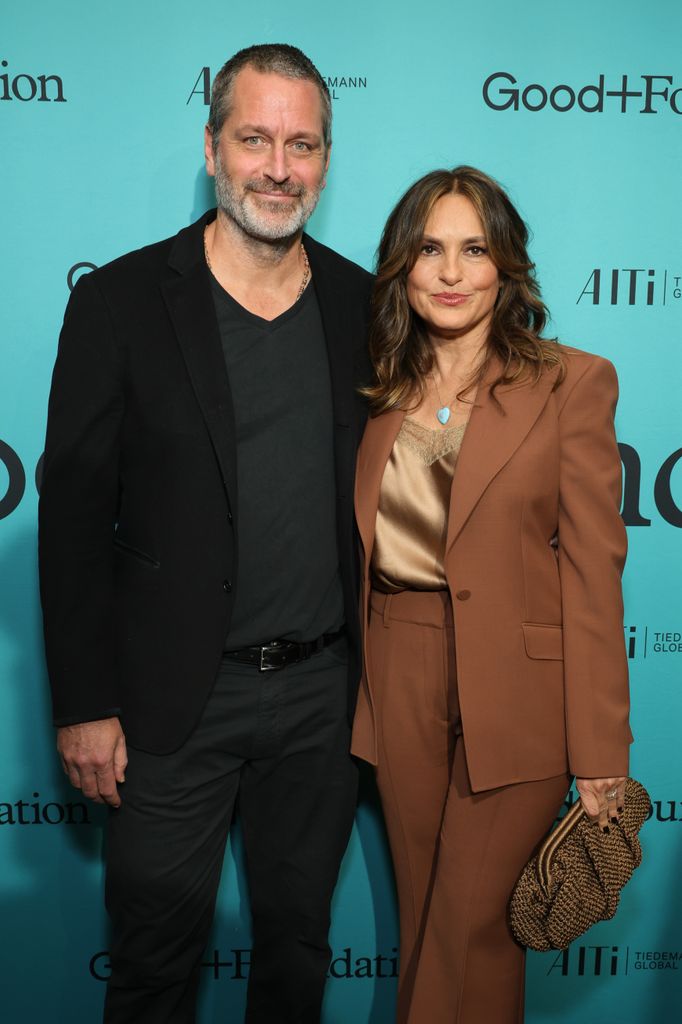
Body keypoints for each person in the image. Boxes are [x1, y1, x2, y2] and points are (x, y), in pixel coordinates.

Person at [39, 43, 372, 1023]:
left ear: (324, 156)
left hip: (321, 702)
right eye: (255, 138)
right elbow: (70, 521)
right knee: (151, 969)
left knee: (295, 964)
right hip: (168, 704)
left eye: (301, 143)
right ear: (212, 147)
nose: (279, 166)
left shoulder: (363, 305)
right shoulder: (121, 302)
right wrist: (85, 701)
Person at [350, 165, 632, 1024]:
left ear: (506, 265)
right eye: (429, 249)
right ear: (402, 266)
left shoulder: (569, 382)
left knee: (472, 926)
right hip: (398, 666)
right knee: (430, 922)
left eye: (474, 249)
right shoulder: (374, 387)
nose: (450, 271)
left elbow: (593, 573)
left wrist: (602, 750)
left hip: (520, 687)